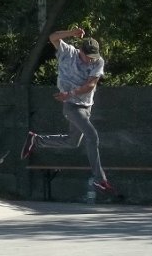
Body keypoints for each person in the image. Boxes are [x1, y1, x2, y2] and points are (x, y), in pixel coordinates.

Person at [21, 26, 113, 196]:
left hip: (86, 106)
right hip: (71, 106)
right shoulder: (68, 52)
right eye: (88, 57)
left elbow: (91, 85)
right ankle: (99, 179)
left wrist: (70, 92)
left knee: (72, 142)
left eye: (93, 57)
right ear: (81, 51)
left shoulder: (98, 61)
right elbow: (53, 37)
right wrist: (71, 33)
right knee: (92, 136)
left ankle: (36, 140)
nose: (90, 60)